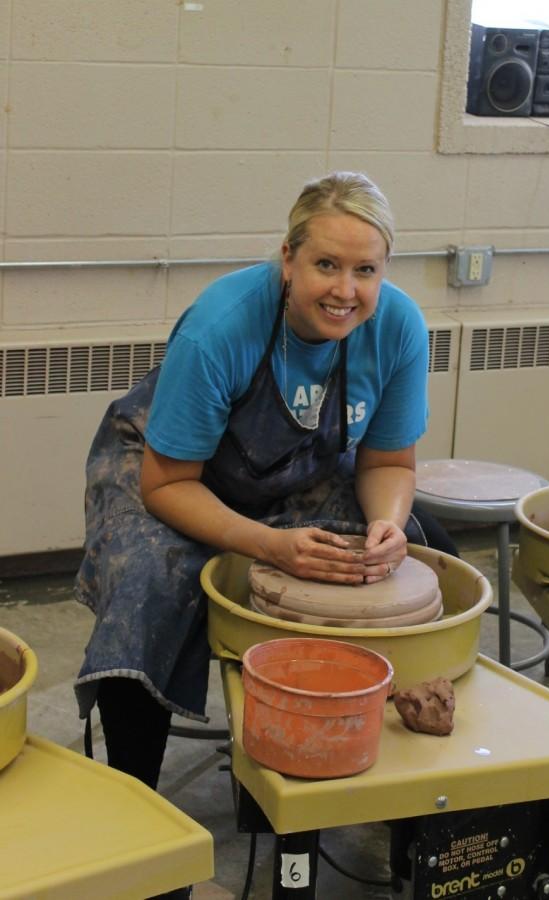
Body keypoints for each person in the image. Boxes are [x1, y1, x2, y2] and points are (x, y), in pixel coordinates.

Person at [73, 171, 458, 800]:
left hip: (294, 468)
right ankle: (135, 815)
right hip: (166, 468)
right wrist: (266, 544)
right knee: (149, 589)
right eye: (326, 265)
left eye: (366, 270)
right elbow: (167, 483)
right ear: (288, 258)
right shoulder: (221, 327)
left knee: (425, 550)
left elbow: (388, 462)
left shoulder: (397, 329)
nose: (344, 290)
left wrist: (387, 523)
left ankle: (406, 803)